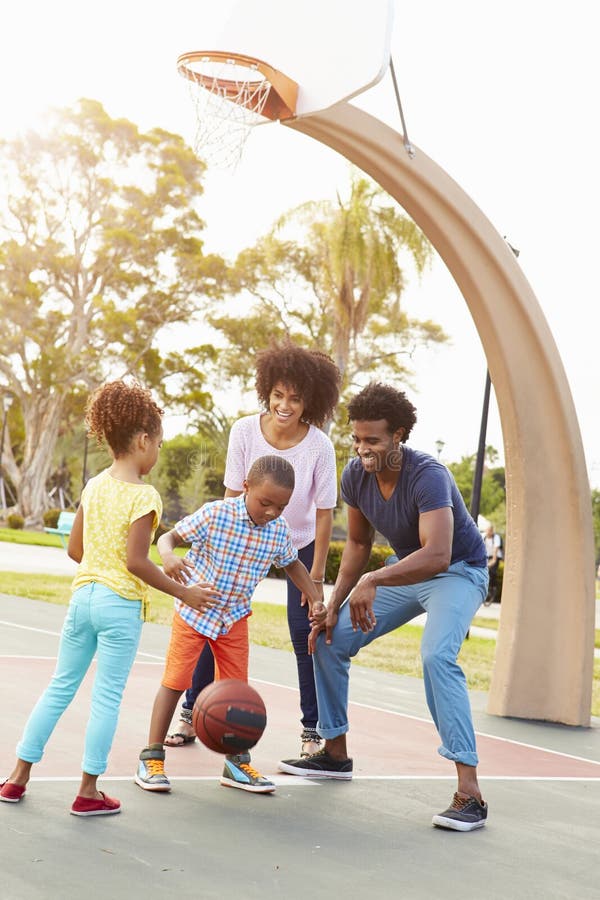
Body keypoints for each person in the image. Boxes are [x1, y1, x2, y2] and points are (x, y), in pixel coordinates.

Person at [278, 382, 490, 832]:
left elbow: (437, 554)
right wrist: (334, 604)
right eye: (357, 439)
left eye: (372, 440)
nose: (362, 449)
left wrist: (373, 579)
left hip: (458, 571)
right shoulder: (356, 475)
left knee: (436, 656)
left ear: (399, 435)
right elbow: (356, 542)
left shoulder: (428, 474)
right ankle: (334, 753)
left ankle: (469, 794)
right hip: (406, 571)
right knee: (329, 638)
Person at [0, 381, 213, 816]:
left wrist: (102, 557)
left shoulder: (94, 485)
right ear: (142, 440)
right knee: (106, 698)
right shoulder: (144, 495)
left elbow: (75, 550)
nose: (157, 452)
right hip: (119, 607)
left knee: (59, 687)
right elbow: (137, 562)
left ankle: (16, 778)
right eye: (158, 443)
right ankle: (88, 792)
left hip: (82, 600)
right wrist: (184, 593)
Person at [165, 341, 340, 758]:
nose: (285, 405)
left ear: (309, 401)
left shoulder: (320, 446)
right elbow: (229, 497)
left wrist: (314, 578)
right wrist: (210, 548)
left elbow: (324, 515)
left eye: (295, 399)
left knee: (306, 636)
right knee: (211, 622)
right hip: (241, 536)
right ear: (267, 391)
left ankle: (311, 729)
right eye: (278, 395)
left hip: (295, 543)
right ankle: (191, 712)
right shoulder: (245, 430)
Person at [135, 455, 323, 794]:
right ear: (246, 487)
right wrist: (168, 557)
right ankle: (151, 757)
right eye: (265, 502)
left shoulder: (279, 530)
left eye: (280, 507)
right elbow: (167, 538)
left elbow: (292, 565)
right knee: (176, 681)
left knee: (237, 693)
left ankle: (236, 764)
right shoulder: (215, 514)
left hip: (234, 617)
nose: (271, 512)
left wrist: (314, 595)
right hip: (195, 610)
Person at [484, 523, 503, 604]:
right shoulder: (483, 537)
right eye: (487, 530)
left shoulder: (496, 538)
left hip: (495, 557)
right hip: (486, 556)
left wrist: (490, 563)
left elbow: (495, 556)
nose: (489, 532)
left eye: (490, 531)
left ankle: (492, 588)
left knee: (491, 571)